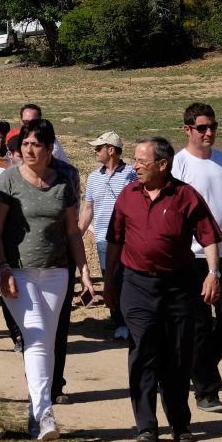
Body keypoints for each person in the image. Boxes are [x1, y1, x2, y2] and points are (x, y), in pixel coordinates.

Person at [106, 137, 222, 442]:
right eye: (135, 160)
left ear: (162, 164)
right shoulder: (127, 196)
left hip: (178, 287)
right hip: (137, 285)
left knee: (177, 355)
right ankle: (146, 426)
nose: (135, 165)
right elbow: (115, 241)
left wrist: (212, 273)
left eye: (142, 161)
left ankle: (180, 423)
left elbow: (209, 237)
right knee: (143, 352)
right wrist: (108, 281)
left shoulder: (186, 196)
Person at [0, 119, 94, 440]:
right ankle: (45, 415)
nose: (29, 149)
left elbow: (72, 232)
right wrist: (2, 266)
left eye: (36, 144)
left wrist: (85, 271)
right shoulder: (8, 180)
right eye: (25, 144)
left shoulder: (64, 182)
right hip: (16, 271)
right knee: (35, 339)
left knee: (46, 341)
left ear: (49, 149)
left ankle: (37, 410)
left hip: (56, 272)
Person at [171, 102, 222, 414]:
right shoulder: (178, 165)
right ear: (188, 130)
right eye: (202, 128)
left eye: (213, 126)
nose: (209, 133)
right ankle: (206, 390)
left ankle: (199, 366)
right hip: (192, 257)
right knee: (200, 325)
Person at [78, 131, 137, 340]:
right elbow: (88, 209)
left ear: (111, 150)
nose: (95, 151)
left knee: (129, 281)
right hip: (103, 238)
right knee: (110, 280)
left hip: (129, 240)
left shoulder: (131, 174)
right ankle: (119, 322)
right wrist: (78, 234)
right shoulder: (93, 178)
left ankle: (131, 323)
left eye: (99, 147)